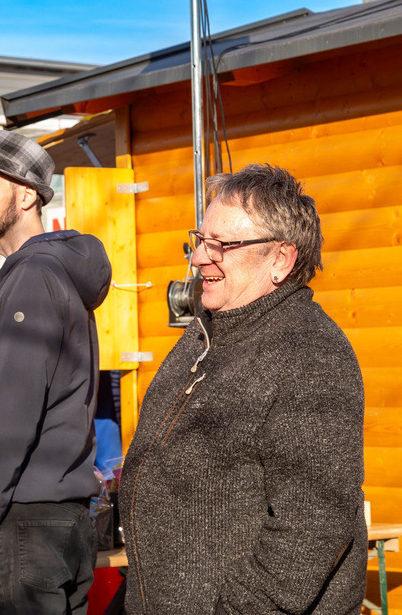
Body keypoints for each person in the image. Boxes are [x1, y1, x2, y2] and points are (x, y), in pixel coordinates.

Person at [121, 164, 366, 614]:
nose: (199, 259)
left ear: (281, 259)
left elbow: (311, 526)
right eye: (200, 240)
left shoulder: (309, 353)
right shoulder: (203, 335)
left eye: (223, 246)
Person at [0, 129, 112, 614]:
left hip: (26, 519)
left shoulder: (34, 275)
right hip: (59, 515)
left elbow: (15, 409)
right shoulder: (53, 273)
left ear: (26, 195)